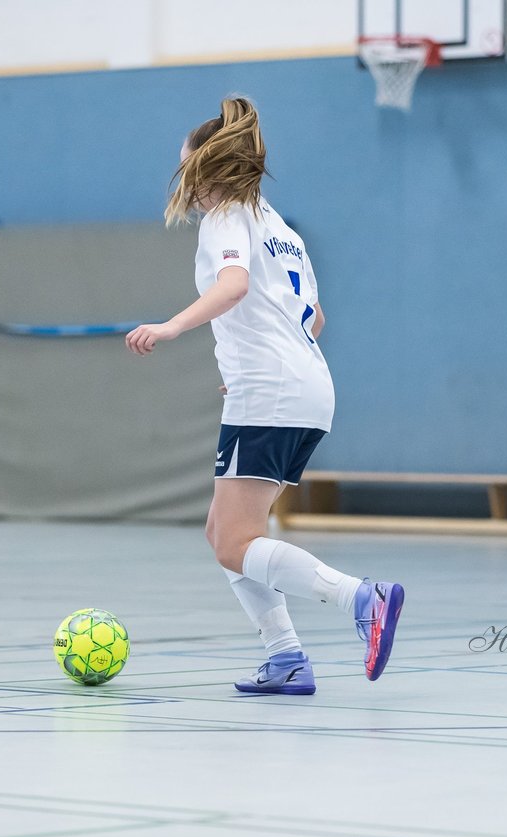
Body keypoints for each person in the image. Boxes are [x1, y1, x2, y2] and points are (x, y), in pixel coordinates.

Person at [125, 96, 404, 694]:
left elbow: (234, 285)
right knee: (224, 534)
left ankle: (362, 599)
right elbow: (316, 319)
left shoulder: (225, 215)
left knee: (234, 542)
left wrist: (173, 326)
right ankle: (285, 658)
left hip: (272, 392)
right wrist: (251, 360)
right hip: (305, 386)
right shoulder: (280, 227)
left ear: (207, 168)